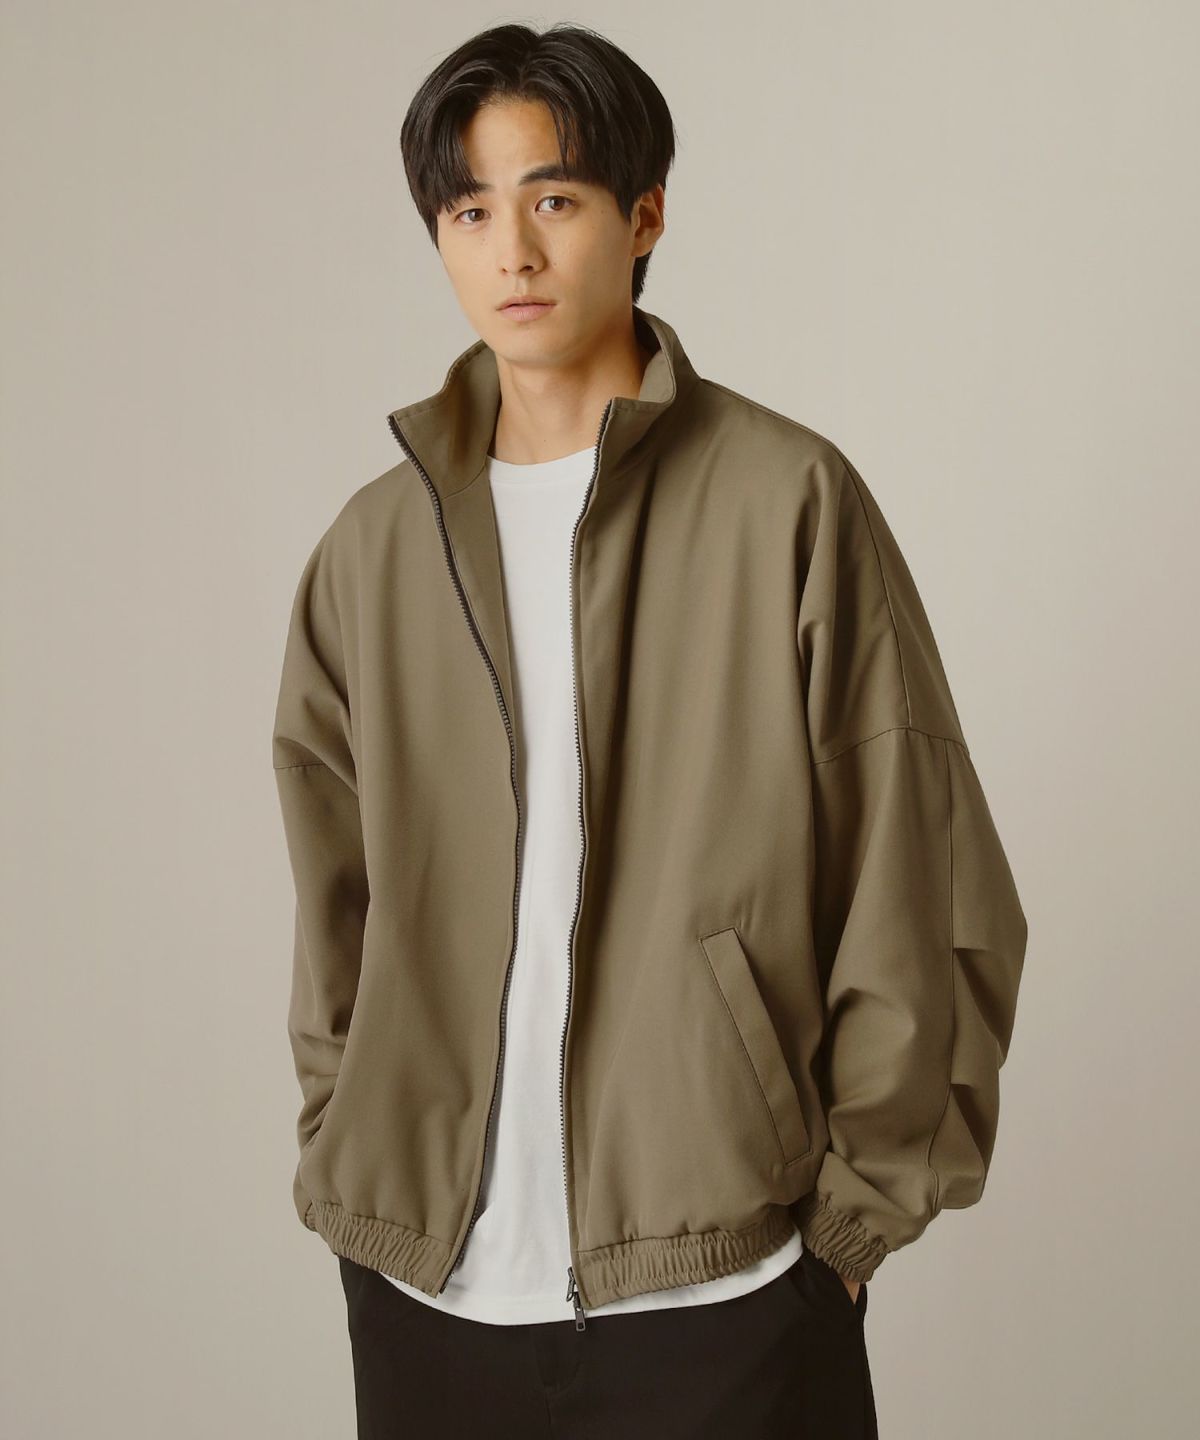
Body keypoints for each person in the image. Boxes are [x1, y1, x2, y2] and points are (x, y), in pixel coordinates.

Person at [270, 20, 1028, 1439]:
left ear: (645, 216)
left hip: (729, 1292)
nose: (513, 252)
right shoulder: (372, 550)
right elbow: (334, 903)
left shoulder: (787, 501)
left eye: (553, 199)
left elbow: (920, 877)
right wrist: (347, 1145)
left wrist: (849, 1232)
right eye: (468, 212)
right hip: (429, 1298)